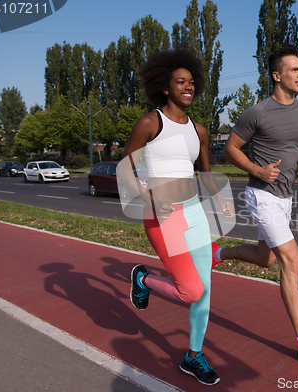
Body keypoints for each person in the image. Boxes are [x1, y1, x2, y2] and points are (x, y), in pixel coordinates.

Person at [119, 48, 232, 386]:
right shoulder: (151, 122)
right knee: (190, 290)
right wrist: (150, 198)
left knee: (206, 289)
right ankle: (144, 280)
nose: (188, 86)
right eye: (180, 82)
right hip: (162, 217)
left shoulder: (199, 131)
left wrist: (221, 200)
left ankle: (193, 356)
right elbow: (125, 169)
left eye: (192, 82)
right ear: (165, 88)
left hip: (194, 212)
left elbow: (206, 174)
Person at [215, 45, 298, 360]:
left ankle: (219, 253)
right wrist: (257, 169)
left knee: (266, 259)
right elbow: (230, 150)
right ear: (276, 75)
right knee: (291, 259)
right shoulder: (256, 113)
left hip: (285, 198)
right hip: (261, 194)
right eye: (294, 69)